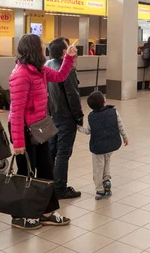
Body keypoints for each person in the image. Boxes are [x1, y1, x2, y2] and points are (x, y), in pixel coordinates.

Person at [8, 34, 75, 230]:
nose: (44, 47)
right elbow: (17, 111)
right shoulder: (21, 74)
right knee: (25, 173)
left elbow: (60, 76)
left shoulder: (39, 70)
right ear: (33, 49)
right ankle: (20, 215)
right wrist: (18, 142)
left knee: (46, 170)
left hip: (39, 128)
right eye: (41, 45)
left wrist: (68, 57)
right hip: (23, 130)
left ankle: (47, 212)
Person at [45, 37, 84, 200]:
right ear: (64, 52)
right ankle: (60, 188)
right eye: (69, 46)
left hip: (51, 114)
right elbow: (72, 95)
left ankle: (49, 184)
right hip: (65, 116)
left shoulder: (47, 65)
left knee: (52, 151)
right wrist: (79, 117)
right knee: (63, 153)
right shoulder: (66, 69)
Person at [78, 91, 129, 200]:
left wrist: (78, 127)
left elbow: (88, 131)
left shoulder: (91, 117)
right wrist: (125, 137)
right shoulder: (114, 112)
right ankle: (107, 182)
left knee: (98, 167)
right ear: (104, 100)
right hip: (111, 144)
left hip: (98, 147)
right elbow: (120, 126)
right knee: (107, 162)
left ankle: (100, 190)